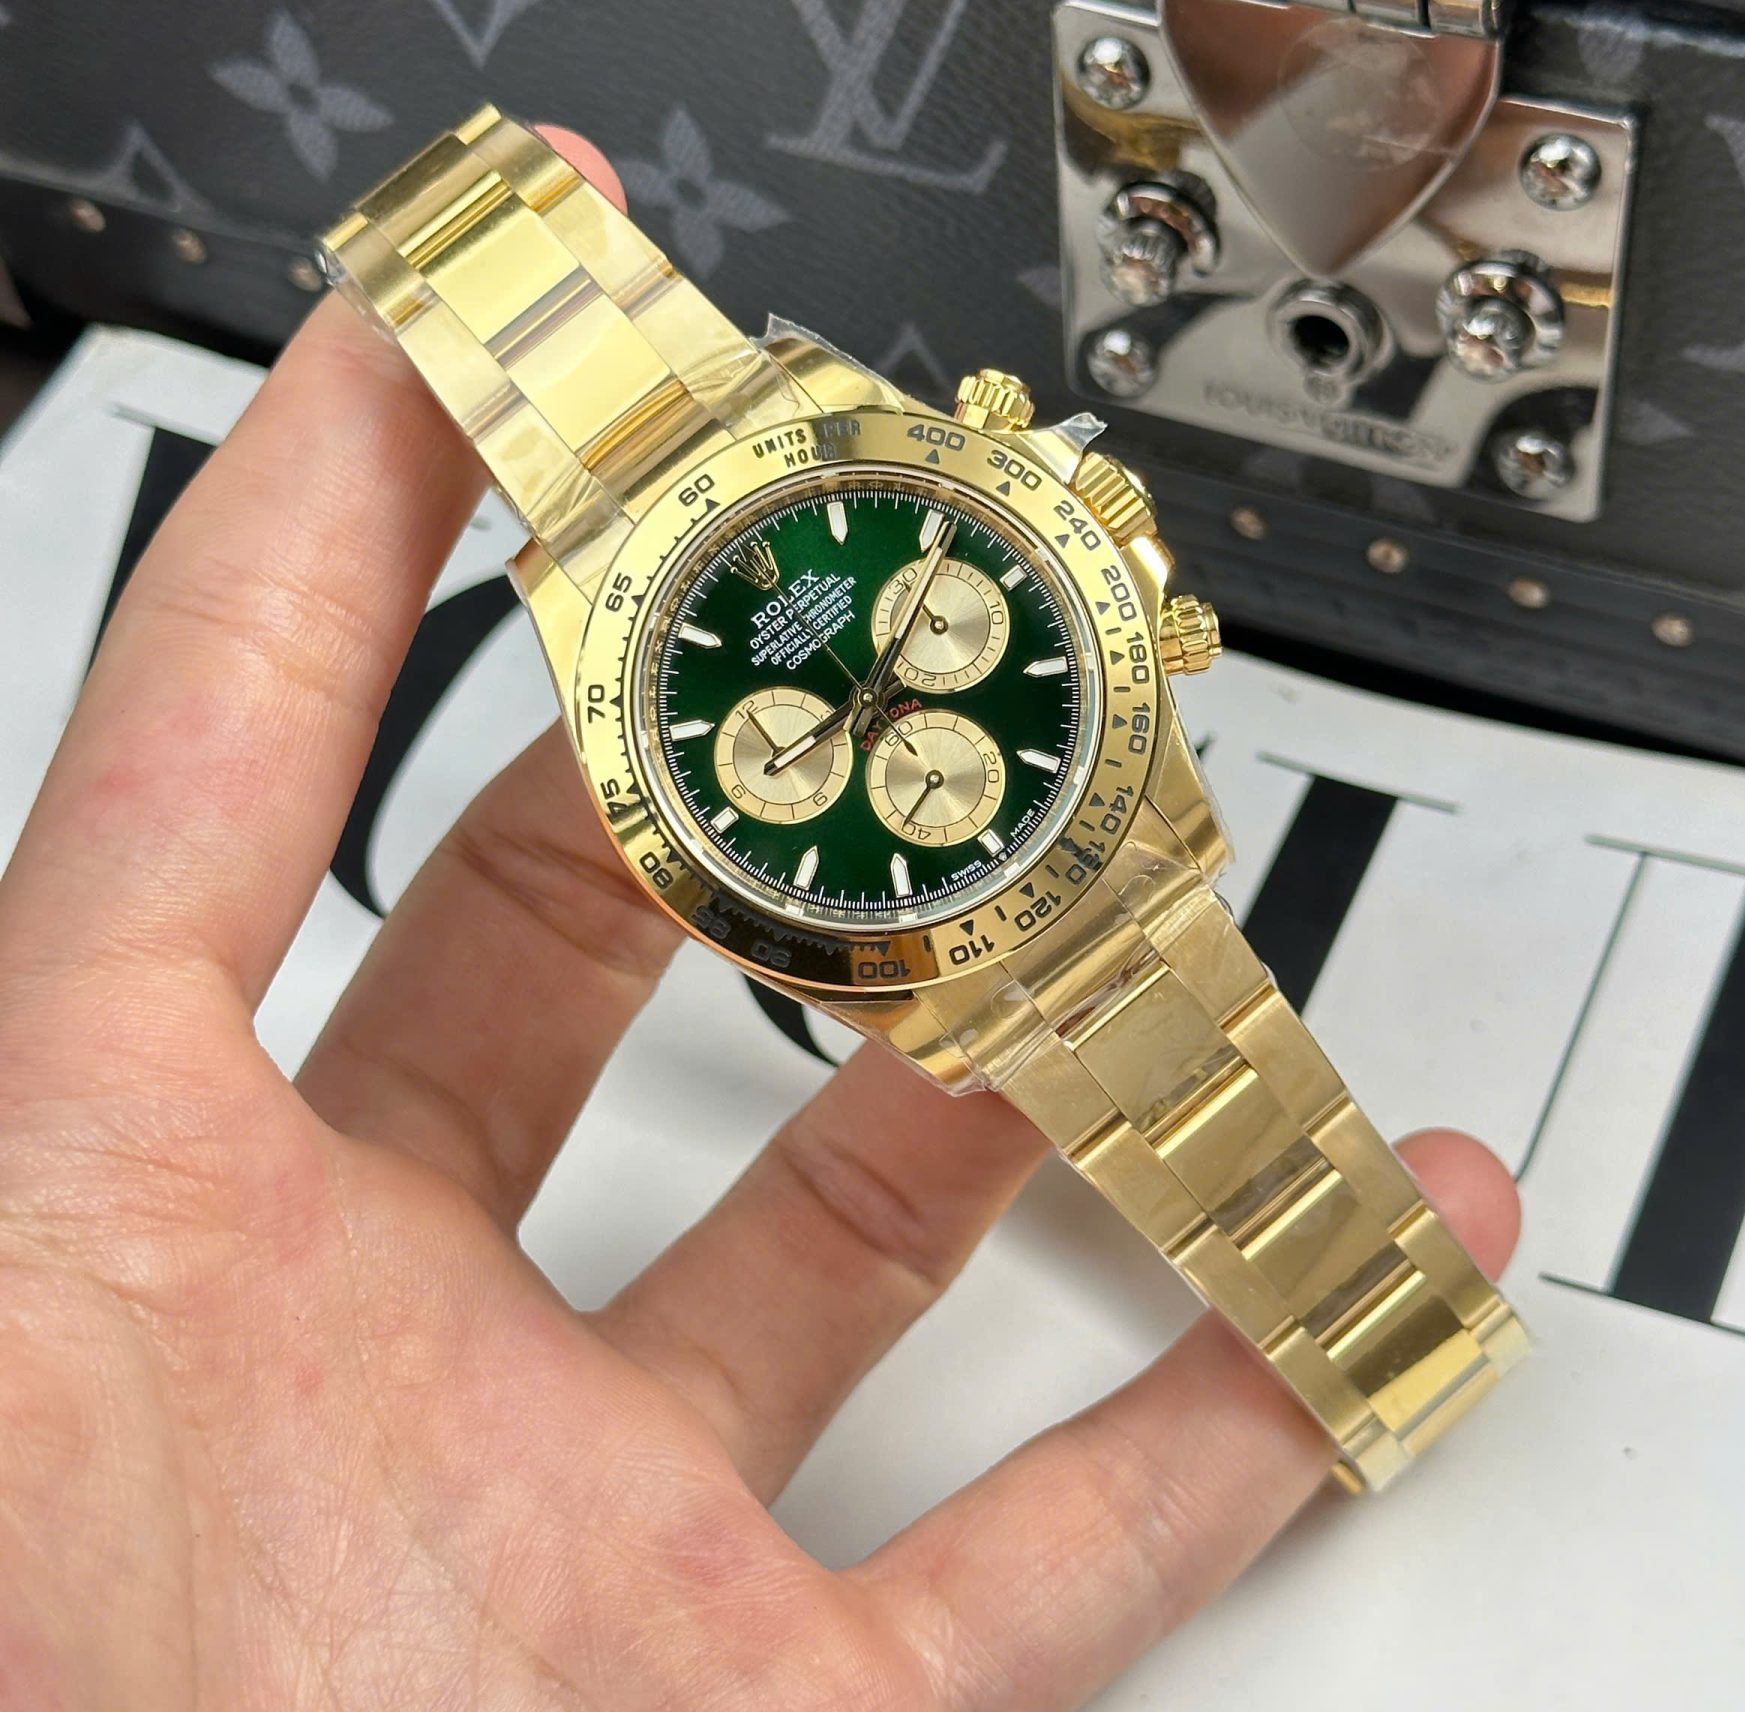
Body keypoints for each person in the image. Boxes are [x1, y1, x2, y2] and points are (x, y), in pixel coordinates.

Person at [0, 127, 1519, 1709]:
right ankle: (1387, 1343)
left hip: (1050, 833)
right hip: (942, 871)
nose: (863, 701)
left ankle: (1388, 1332)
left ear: (1076, 544)